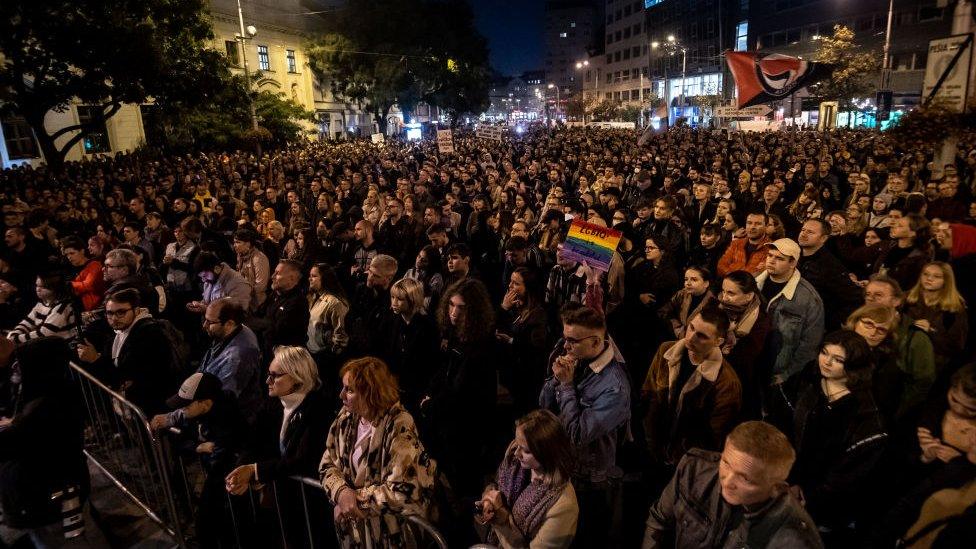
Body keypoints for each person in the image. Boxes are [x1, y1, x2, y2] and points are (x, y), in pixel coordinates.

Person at [769, 330, 888, 542]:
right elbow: (780, 423)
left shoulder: (863, 412)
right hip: (783, 476)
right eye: (824, 353)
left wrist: (809, 494)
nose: (827, 362)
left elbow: (849, 471)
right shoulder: (808, 380)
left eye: (838, 359)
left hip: (819, 499)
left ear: (853, 366)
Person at [0, 337, 110, 548]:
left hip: (53, 500)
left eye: (20, 364)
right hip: (45, 498)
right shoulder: (41, 396)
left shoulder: (47, 405)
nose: (15, 370)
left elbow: (13, 442)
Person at [641, 421, 822, 549]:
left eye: (745, 479)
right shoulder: (694, 469)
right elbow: (659, 520)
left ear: (777, 488)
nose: (727, 482)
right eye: (726, 463)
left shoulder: (794, 539)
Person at [319, 357, 437, 547]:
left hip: (391, 535)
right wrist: (340, 492)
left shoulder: (399, 424)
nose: (341, 395)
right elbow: (327, 465)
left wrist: (354, 500)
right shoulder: (345, 418)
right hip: (356, 535)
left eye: (349, 390)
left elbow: (403, 490)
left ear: (369, 392)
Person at [539, 303, 630, 548]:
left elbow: (577, 434)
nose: (565, 346)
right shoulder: (576, 358)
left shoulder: (614, 387)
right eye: (564, 337)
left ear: (596, 342)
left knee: (586, 536)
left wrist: (566, 385)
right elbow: (545, 405)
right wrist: (556, 380)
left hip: (592, 481)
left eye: (572, 341)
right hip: (563, 466)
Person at [225, 346, 333, 548]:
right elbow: (253, 442)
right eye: (268, 374)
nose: (268, 381)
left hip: (310, 507)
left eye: (274, 376)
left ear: (297, 377)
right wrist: (241, 470)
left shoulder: (319, 409)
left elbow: (303, 460)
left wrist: (256, 471)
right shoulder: (272, 404)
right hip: (281, 502)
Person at [422, 278, 497, 505]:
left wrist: (431, 404)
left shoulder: (481, 344)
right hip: (448, 421)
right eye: (451, 305)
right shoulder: (457, 333)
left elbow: (461, 391)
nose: (454, 313)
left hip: (467, 427)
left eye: (461, 308)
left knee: (463, 489)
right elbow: (445, 371)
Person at [149, 372, 246, 547]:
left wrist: (195, 446)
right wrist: (197, 447)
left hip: (229, 484)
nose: (182, 410)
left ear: (206, 403)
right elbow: (179, 442)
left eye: (186, 406)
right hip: (216, 479)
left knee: (223, 528)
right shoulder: (197, 414)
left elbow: (220, 456)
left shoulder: (227, 420)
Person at [641, 307, 742, 470]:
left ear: (718, 341)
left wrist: (682, 461)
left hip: (686, 463)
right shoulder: (666, 350)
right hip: (653, 447)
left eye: (701, 336)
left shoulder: (726, 383)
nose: (690, 337)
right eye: (691, 327)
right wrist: (649, 440)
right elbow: (648, 394)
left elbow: (714, 436)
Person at [478, 409, 579, 549]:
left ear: (547, 454)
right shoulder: (516, 459)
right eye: (517, 443)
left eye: (526, 451)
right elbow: (497, 483)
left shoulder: (563, 507)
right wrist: (489, 498)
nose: (516, 452)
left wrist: (501, 519)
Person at [76, 288, 177, 414]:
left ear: (136, 310)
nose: (114, 318)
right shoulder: (118, 333)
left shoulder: (149, 333)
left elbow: (123, 376)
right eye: (109, 313)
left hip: (152, 405)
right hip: (130, 407)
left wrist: (95, 359)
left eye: (121, 312)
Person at [755, 238, 825, 387]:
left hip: (778, 372)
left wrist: (788, 374)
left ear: (792, 263)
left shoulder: (808, 299)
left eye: (779, 258)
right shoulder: (755, 283)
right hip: (751, 363)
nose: (771, 261)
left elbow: (810, 344)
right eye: (770, 255)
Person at [198, 297, 263, 425]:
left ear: (229, 324)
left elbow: (222, 399)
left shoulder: (238, 356)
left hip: (232, 422)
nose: (204, 325)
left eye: (210, 322)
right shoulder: (234, 330)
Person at [716, 270, 770, 419]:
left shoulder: (761, 321)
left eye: (731, 293)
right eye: (723, 291)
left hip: (739, 380)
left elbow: (745, 357)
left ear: (749, 296)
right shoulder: (717, 307)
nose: (724, 298)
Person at [498, 266, 549, 416]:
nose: (510, 286)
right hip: (513, 377)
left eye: (516, 283)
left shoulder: (538, 315)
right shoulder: (516, 308)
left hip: (527, 381)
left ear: (528, 288)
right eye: (510, 282)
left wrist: (512, 341)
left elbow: (536, 349)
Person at [797, 218, 864, 329]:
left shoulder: (830, 265)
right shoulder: (795, 256)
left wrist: (832, 322)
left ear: (823, 238)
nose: (803, 234)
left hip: (817, 324)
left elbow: (854, 297)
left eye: (810, 232)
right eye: (803, 230)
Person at [384, 278, 439, 413]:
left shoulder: (428, 326)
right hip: (394, 387)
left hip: (417, 389)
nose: (394, 303)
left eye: (400, 299)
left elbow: (432, 363)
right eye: (392, 297)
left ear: (412, 300)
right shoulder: (392, 321)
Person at [905, 261, 969, 376]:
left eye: (936, 276)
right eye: (926, 274)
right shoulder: (907, 298)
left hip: (931, 366)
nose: (929, 278)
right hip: (903, 358)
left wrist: (931, 332)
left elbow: (956, 346)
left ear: (946, 281)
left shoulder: (953, 309)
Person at [250, 259, 309, 356]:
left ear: (292, 278)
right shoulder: (275, 294)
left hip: (285, 358)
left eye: (277, 273)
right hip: (267, 352)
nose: (272, 276)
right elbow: (259, 314)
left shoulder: (298, 303)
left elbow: (276, 330)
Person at [306, 263, 349, 383]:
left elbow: (341, 334)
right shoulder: (312, 297)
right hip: (311, 353)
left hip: (323, 358)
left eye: (314, 276)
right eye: (310, 275)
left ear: (325, 278)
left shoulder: (335, 303)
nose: (310, 278)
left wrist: (331, 356)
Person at [6, 273, 77, 344]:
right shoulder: (41, 304)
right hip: (45, 343)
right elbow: (27, 322)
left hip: (61, 346)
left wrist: (15, 339)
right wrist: (14, 334)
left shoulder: (62, 307)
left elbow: (45, 333)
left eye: (43, 287)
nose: (38, 289)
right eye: (37, 285)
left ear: (54, 288)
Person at [658, 266, 715, 339]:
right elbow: (663, 311)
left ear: (706, 284)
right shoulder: (681, 294)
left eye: (694, 280)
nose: (688, 283)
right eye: (686, 279)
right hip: (674, 336)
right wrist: (677, 328)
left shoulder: (713, 303)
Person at [716, 210, 769, 277]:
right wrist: (736, 279)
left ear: (766, 226)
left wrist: (733, 273)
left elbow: (758, 274)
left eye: (758, 224)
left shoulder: (770, 248)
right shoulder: (736, 243)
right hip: (729, 283)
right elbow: (721, 266)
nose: (752, 227)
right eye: (749, 223)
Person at [61, 236, 104, 312]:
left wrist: (70, 284)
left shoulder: (94, 264)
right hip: (76, 309)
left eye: (72, 253)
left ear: (82, 251)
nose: (69, 257)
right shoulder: (70, 269)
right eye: (67, 255)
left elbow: (88, 285)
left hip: (94, 309)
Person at [232, 228, 270, 311]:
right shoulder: (240, 255)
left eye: (238, 242)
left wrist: (243, 292)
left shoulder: (259, 258)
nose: (234, 245)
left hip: (256, 304)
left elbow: (261, 285)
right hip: (244, 300)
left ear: (248, 244)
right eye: (234, 242)